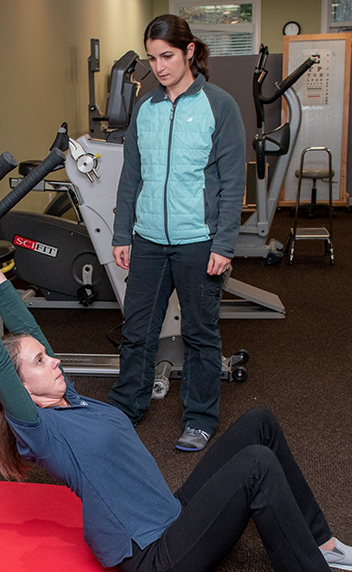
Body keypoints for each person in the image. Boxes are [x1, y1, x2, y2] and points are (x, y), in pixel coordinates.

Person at [0, 230, 352, 572]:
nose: (55, 359)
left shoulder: (70, 399)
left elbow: (24, 331)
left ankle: (319, 542)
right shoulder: (41, 429)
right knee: (256, 467)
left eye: (48, 355)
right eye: (41, 362)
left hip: (171, 516)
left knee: (259, 422)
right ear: (19, 389)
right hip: (158, 558)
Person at [110, 14, 246, 451]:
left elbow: (232, 183)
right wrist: (121, 234)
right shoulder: (146, 109)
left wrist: (224, 243)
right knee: (137, 329)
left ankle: (200, 418)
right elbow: (131, 177)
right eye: (152, 58)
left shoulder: (219, 105)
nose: (159, 66)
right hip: (148, 239)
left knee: (200, 334)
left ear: (189, 51)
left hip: (198, 241)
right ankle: (127, 407)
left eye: (167, 55)